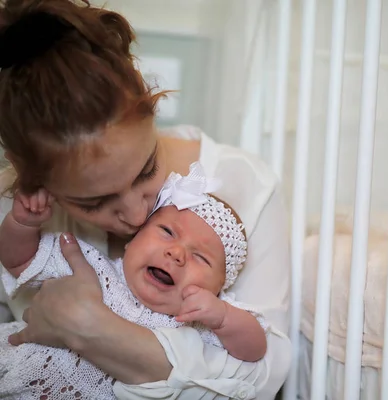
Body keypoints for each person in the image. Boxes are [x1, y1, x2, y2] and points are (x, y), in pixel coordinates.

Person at [0, 1, 291, 399]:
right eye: (93, 202)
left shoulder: (247, 187)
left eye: (146, 171)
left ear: (151, 105)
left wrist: (88, 325)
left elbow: (262, 378)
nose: (138, 215)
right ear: (29, 177)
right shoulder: (22, 210)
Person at [0, 162, 270, 399]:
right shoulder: (91, 267)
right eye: (166, 231)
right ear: (131, 243)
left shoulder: (198, 322)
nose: (176, 253)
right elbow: (19, 262)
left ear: (219, 289)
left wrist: (223, 317)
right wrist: (22, 225)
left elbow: (254, 350)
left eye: (201, 257)